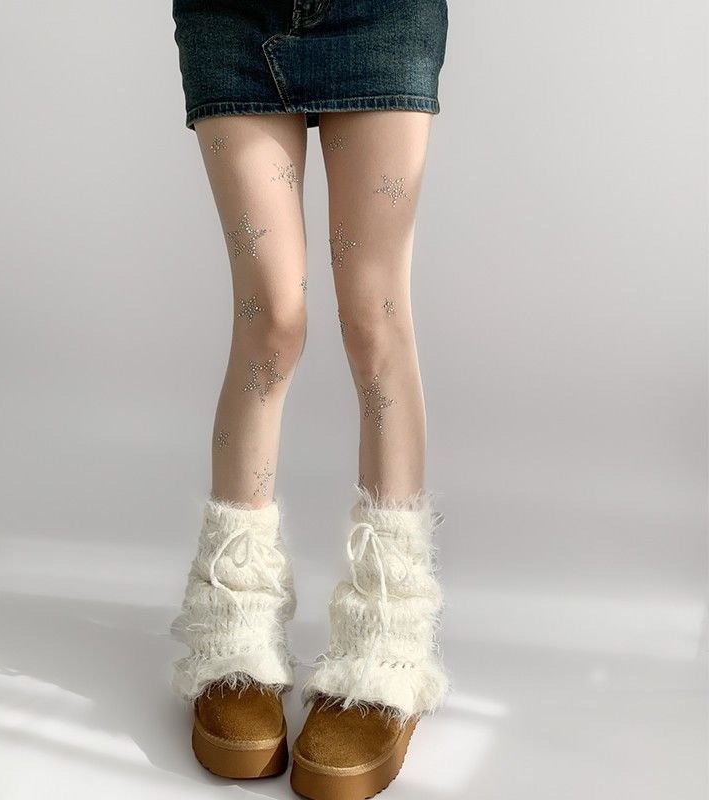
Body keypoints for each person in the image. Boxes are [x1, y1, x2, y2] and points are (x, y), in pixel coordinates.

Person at [168, 2, 452, 797]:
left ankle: (387, 639)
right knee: (271, 321)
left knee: (375, 321)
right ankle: (232, 618)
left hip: (380, 14)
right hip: (231, 16)